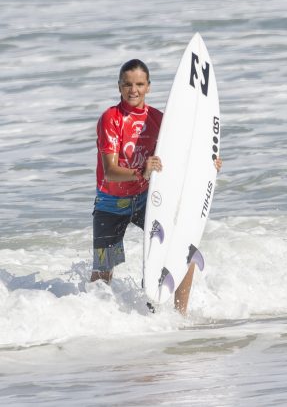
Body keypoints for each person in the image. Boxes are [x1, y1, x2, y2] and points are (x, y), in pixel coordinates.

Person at [91, 59, 222, 315]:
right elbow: (110, 171)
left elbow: (184, 154)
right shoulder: (111, 118)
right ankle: (97, 322)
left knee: (184, 249)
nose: (134, 90)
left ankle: (179, 316)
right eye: (128, 84)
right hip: (110, 203)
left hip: (146, 200)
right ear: (119, 87)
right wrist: (142, 170)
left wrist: (209, 164)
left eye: (139, 84)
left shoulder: (158, 119)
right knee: (103, 270)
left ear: (148, 87)